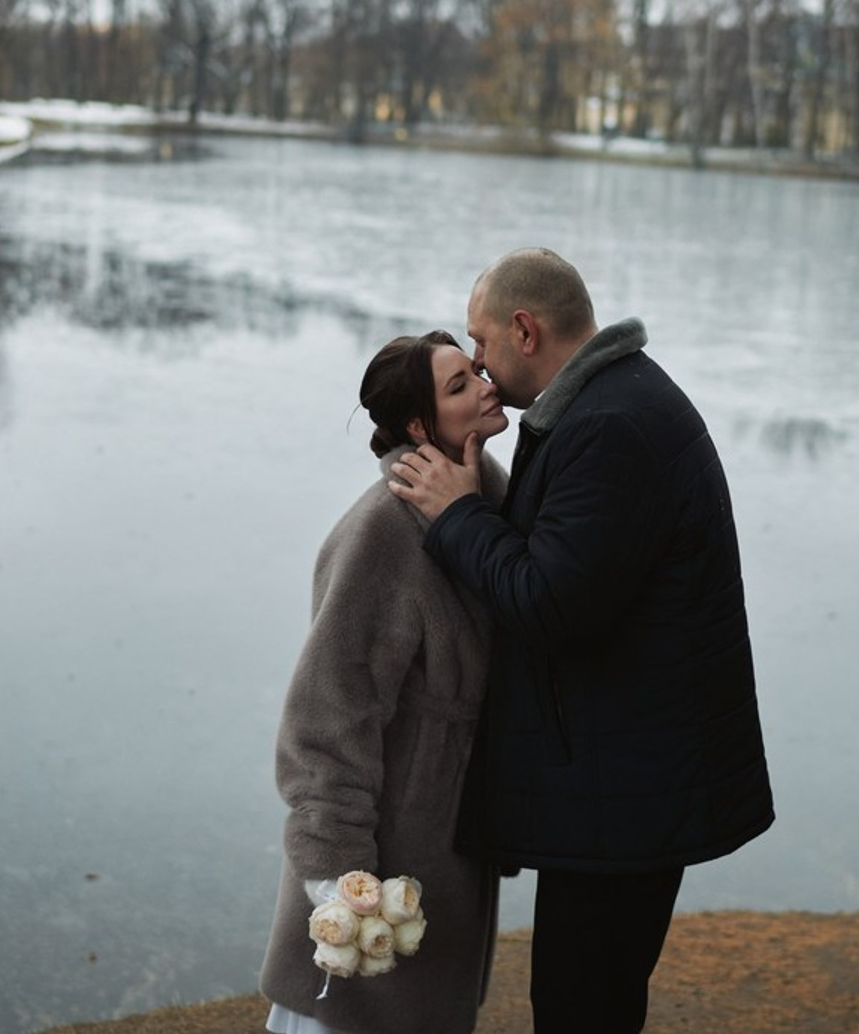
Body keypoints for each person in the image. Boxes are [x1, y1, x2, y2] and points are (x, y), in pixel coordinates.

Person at [388, 248, 775, 1033]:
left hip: (629, 794)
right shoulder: (609, 401)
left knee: (581, 1007)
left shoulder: (611, 428)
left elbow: (549, 602)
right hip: (627, 779)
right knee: (588, 1000)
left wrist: (458, 515)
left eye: (481, 342)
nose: (477, 363)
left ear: (525, 330)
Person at [260, 330, 511, 1034]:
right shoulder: (384, 531)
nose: (486, 386)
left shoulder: (493, 510)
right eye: (460, 385)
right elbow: (325, 720)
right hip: (382, 861)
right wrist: (341, 885)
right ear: (418, 427)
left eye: (476, 373)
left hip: (454, 850)